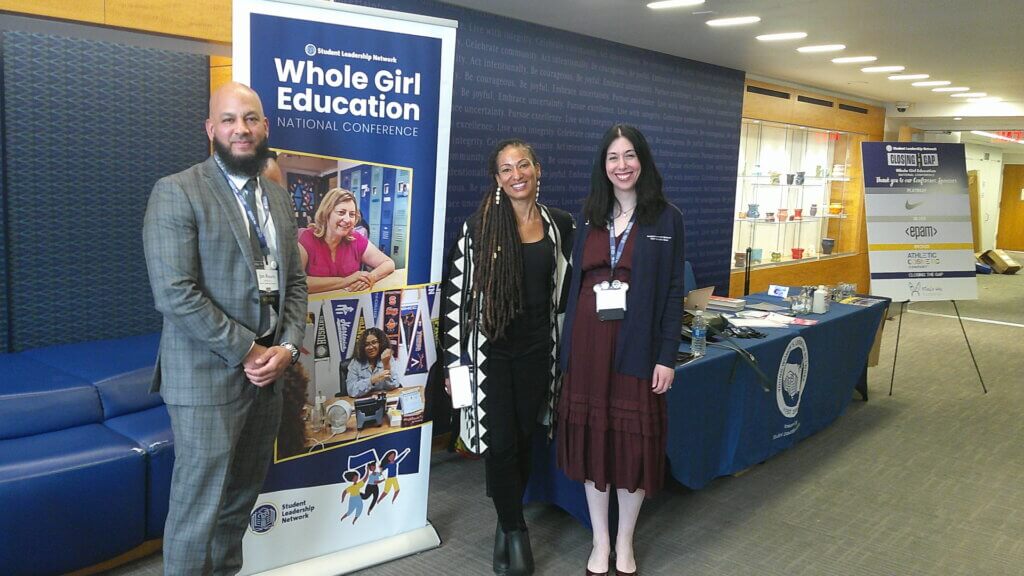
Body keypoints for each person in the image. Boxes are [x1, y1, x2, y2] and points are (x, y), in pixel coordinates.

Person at [142, 82, 307, 575]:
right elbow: (174, 292)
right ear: (211, 129)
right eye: (230, 119)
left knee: (238, 503)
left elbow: (294, 283)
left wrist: (289, 348)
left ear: (264, 127)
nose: (242, 129)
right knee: (198, 511)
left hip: (268, 379)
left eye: (251, 119)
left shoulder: (277, 199)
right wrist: (250, 350)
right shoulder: (177, 191)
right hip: (205, 379)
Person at [556, 124, 685, 576]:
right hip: (589, 345)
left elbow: (672, 292)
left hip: (637, 346)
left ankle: (625, 541)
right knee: (595, 445)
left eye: (630, 156)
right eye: (613, 157)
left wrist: (667, 354)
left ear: (642, 161)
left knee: (631, 446)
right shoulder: (589, 215)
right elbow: (574, 288)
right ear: (603, 166)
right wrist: (567, 351)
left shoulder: (666, 218)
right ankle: (600, 540)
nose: (622, 165)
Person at [442, 139, 574, 576]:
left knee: (521, 438)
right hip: (489, 354)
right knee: (499, 443)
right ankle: (516, 531)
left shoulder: (560, 225)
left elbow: (562, 295)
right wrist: (454, 365)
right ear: (496, 179)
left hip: (539, 351)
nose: (516, 174)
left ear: (538, 169)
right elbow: (457, 302)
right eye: (505, 169)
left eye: (523, 165)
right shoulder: (478, 229)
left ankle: (504, 519)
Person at [298, 188, 395, 293]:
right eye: (341, 212)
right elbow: (297, 283)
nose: (347, 219)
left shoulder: (356, 239)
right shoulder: (306, 239)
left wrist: (369, 278)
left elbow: (388, 263)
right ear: (327, 213)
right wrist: (345, 281)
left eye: (352, 214)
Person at [346, 327, 400, 398]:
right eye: (366, 344)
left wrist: (386, 365)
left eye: (374, 342)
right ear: (362, 347)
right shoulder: (355, 363)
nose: (370, 347)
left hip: (383, 400)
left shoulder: (388, 358)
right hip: (363, 402)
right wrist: (372, 380)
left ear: (381, 343)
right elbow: (351, 390)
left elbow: (394, 385)